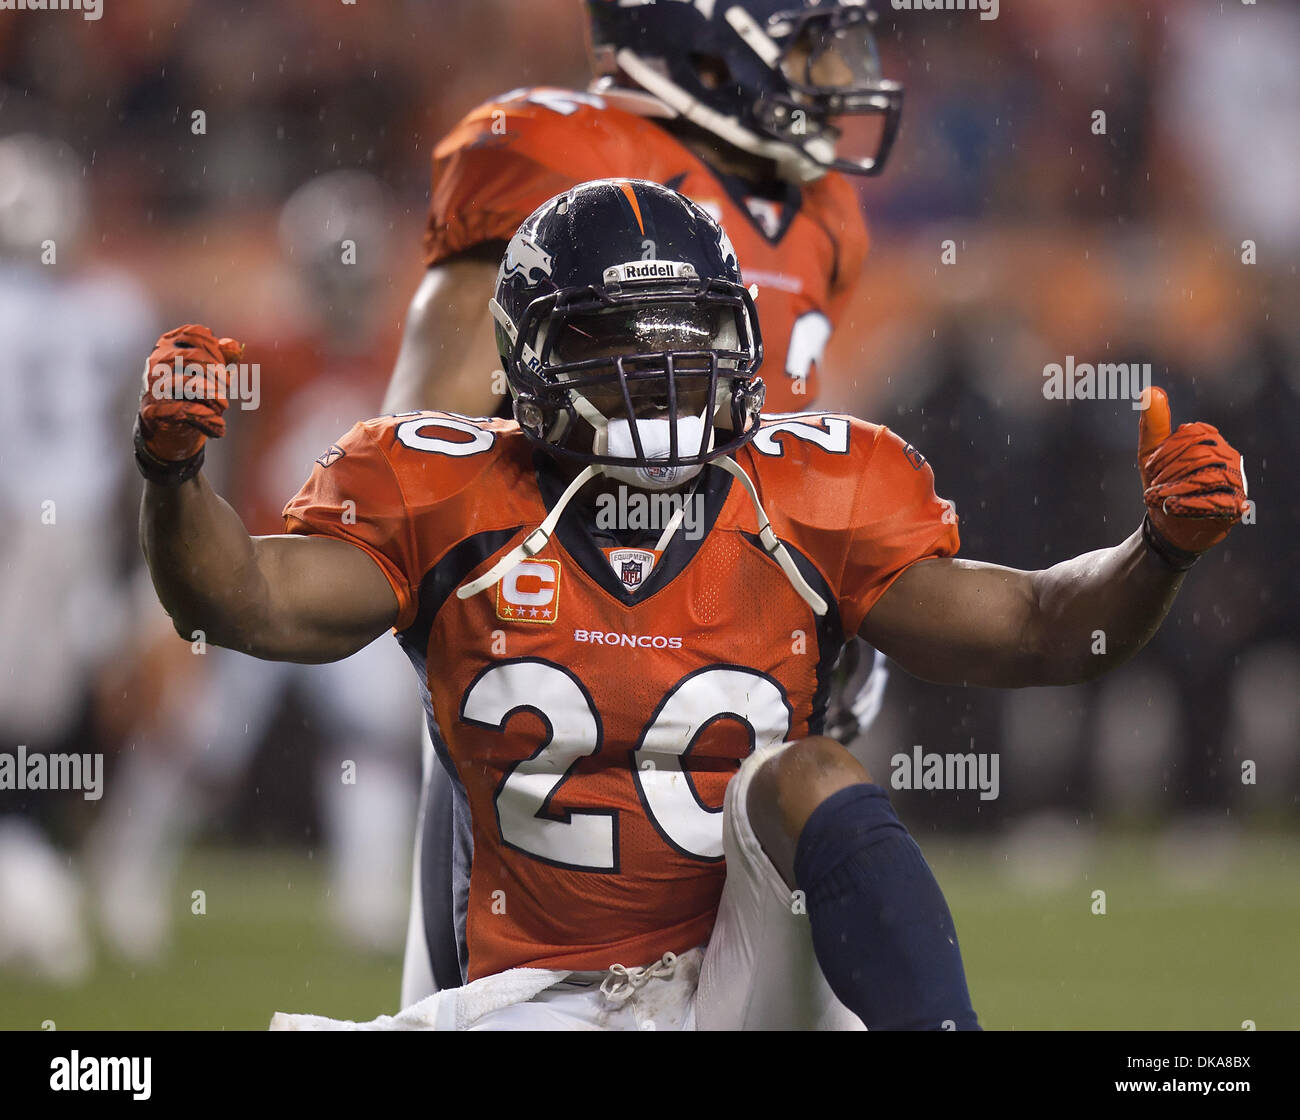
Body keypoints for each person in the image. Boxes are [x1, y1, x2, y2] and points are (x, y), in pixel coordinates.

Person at [134, 180, 1245, 1030]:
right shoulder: (444, 483)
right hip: (532, 997)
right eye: (616, 346)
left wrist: (1156, 551)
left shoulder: (808, 489)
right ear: (529, 355)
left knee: (810, 773)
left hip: (739, 978)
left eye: (688, 336)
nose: (664, 373)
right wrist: (175, 475)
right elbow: (243, 600)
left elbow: (1044, 627)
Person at [386, 0, 904, 1002]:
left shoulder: (821, 210)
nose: (841, 74)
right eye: (811, 43)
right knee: (498, 991)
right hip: (558, 651)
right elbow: (419, 467)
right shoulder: (559, 152)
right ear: (705, 43)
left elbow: (781, 421)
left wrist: (831, 579)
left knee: (807, 992)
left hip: (746, 643)